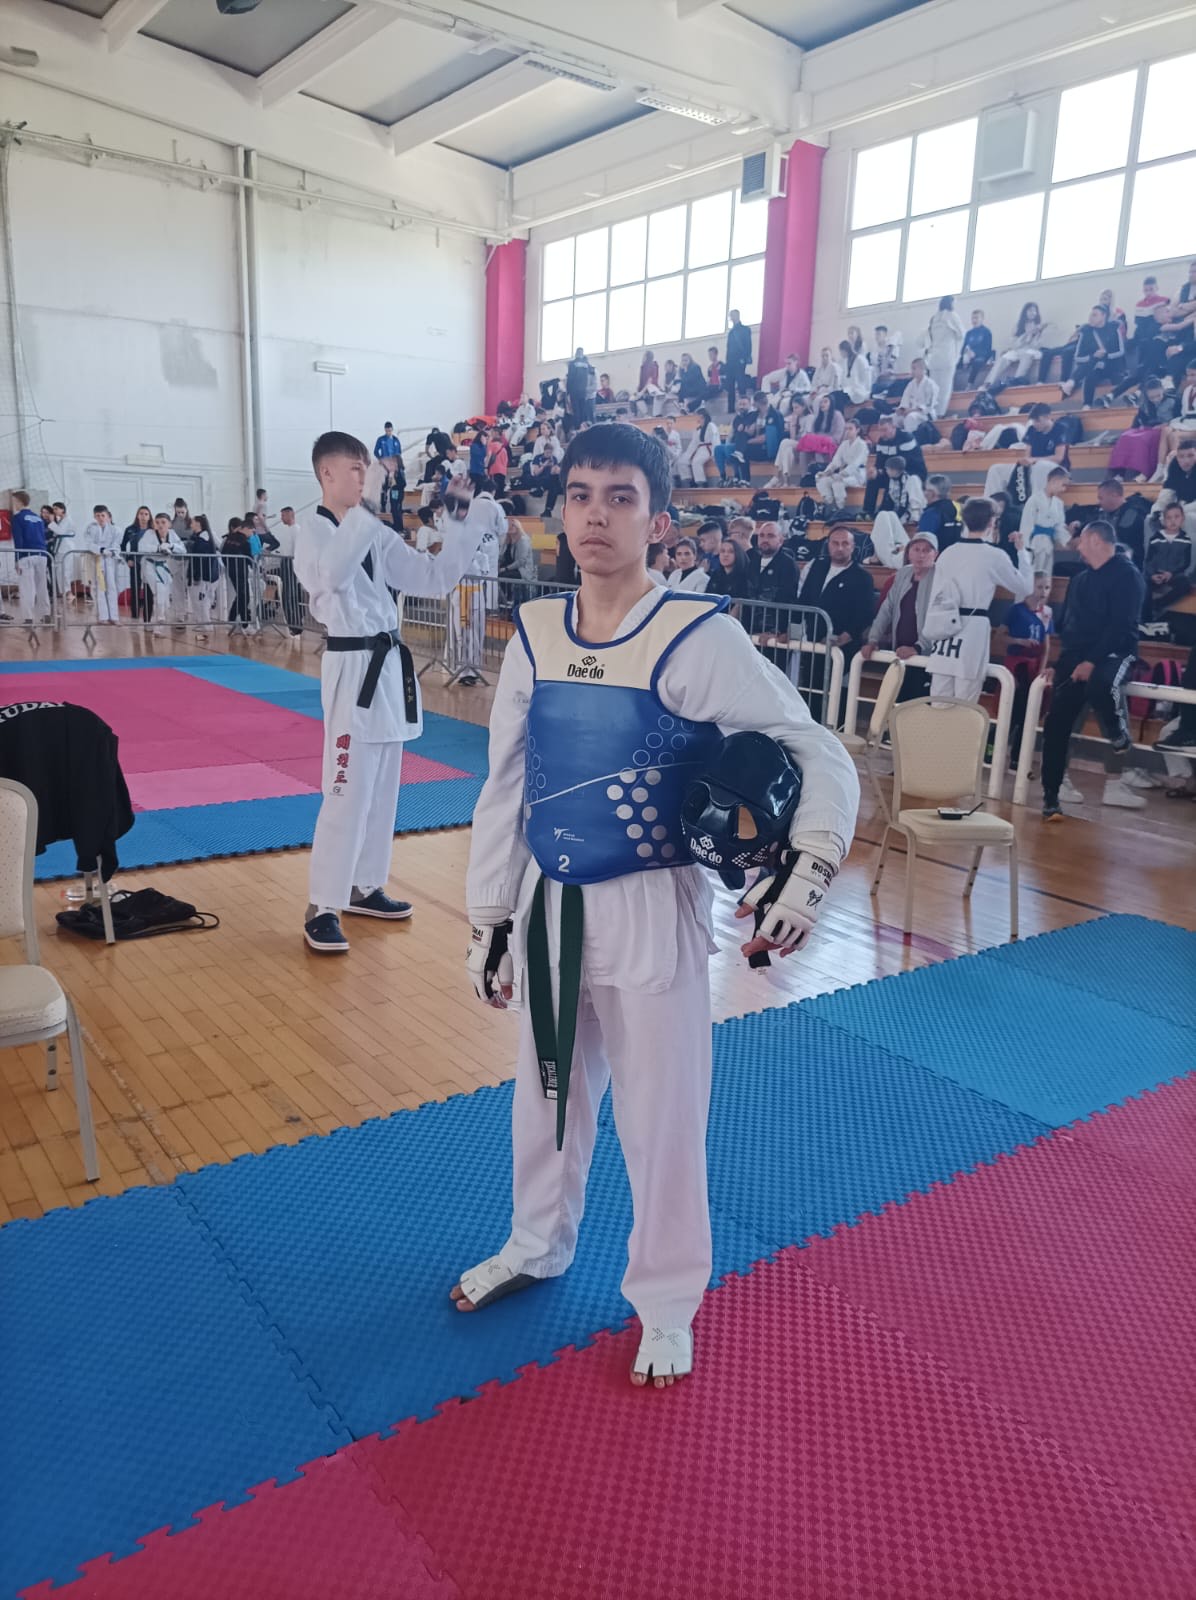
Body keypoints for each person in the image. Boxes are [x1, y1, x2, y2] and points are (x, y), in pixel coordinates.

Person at [457, 422, 859, 1388]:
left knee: (661, 1115)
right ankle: (536, 1244)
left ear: (658, 520)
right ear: (560, 512)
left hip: (651, 906)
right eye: (580, 495)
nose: (596, 515)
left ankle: (668, 1301)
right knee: (546, 1098)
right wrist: (489, 917)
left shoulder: (696, 635)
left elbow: (816, 748)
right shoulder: (535, 633)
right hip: (552, 905)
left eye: (621, 497)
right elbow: (505, 785)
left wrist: (806, 871)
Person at [292, 432, 486, 954]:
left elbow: (433, 578)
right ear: (327, 474)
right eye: (356, 469)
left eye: (367, 469)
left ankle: (363, 885)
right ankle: (322, 903)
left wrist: (458, 521)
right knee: (346, 787)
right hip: (351, 665)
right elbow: (332, 576)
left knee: (382, 787)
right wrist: (370, 510)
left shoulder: (372, 532)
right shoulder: (312, 531)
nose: (364, 477)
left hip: (387, 665)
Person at [1040, 520, 1147, 818]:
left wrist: (1092, 660)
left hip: (1116, 652)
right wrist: (1060, 664)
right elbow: (1070, 627)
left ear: (1097, 540)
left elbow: (1121, 626)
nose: (1078, 546)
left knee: (1103, 682)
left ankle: (1118, 733)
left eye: (1082, 540)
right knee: (1056, 723)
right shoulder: (1080, 580)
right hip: (1077, 655)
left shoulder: (1128, 575)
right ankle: (1051, 796)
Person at [923, 496, 1033, 703]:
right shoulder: (994, 555)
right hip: (973, 627)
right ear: (992, 522)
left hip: (944, 626)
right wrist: (1022, 552)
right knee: (966, 702)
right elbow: (1025, 588)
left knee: (938, 700)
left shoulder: (947, 553)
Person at [797, 523, 876, 720]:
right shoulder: (816, 567)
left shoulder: (862, 577)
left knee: (835, 696)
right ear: (828, 544)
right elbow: (804, 600)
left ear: (853, 546)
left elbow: (865, 614)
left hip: (842, 649)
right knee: (809, 691)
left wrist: (844, 638)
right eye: (835, 543)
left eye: (845, 543)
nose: (840, 548)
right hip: (812, 643)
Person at [860, 529, 938, 701]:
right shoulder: (903, 574)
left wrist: (918, 648)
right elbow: (887, 609)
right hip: (899, 652)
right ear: (909, 552)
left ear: (935, 554)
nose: (921, 555)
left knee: (917, 705)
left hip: (926, 658)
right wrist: (873, 639)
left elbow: (939, 620)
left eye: (926, 550)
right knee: (895, 702)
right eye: (916, 549)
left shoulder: (940, 578)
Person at [452, 477, 507, 684]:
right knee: (464, 633)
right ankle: (463, 669)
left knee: (470, 633)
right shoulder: (495, 507)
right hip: (465, 594)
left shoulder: (471, 507)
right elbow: (502, 529)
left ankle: (470, 670)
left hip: (472, 594)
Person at [1000, 571, 1053, 759]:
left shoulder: (1047, 613)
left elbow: (1046, 646)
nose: (1043, 592)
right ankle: (992, 750)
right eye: (1039, 587)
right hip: (1017, 664)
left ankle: (1017, 757)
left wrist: (1041, 670)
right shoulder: (1016, 610)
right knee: (1014, 711)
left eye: (1047, 587)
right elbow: (1000, 636)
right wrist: (1019, 641)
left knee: (1030, 714)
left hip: (1034, 666)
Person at [1108, 378, 1176, 482]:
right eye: (1152, 397)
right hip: (1147, 428)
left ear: (1162, 389)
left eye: (1158, 396)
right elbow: (1137, 421)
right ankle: (1120, 472)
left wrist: (1166, 424)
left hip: (1164, 429)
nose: (1155, 399)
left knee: (1143, 439)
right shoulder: (1145, 404)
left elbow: (1178, 418)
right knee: (1125, 436)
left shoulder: (1173, 400)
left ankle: (1145, 473)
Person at [1060, 305, 1126, 405]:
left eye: (1095, 315)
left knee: (1095, 362)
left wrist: (1105, 355)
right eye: (1090, 315)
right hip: (1093, 367)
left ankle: (1072, 381)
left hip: (1112, 366)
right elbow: (1078, 357)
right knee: (1091, 371)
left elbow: (1121, 352)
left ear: (1103, 316)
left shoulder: (1113, 328)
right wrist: (1093, 356)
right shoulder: (1086, 331)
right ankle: (1087, 405)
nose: (1091, 318)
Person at [863, 417, 927, 518]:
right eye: (880, 430)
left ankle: (891, 510)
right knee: (872, 480)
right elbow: (879, 462)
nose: (882, 433)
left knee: (894, 478)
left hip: (911, 472)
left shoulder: (906, 438)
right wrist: (875, 471)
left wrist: (883, 471)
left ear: (893, 427)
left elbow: (902, 464)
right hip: (891, 472)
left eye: (885, 430)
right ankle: (867, 512)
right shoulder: (881, 441)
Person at [1143, 501, 1194, 622]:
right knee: (1144, 582)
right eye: (1169, 518)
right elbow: (1149, 559)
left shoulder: (1185, 540)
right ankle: (1145, 617)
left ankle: (1158, 605)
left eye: (1176, 517)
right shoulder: (1156, 539)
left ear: (1182, 519)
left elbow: (1185, 562)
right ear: (1164, 521)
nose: (1173, 521)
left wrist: (1171, 573)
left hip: (1173, 574)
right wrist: (1152, 574)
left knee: (1185, 584)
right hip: (1156, 573)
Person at [1020, 466, 1071, 576]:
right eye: (1063, 485)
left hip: (1049, 545)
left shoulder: (1058, 504)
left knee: (1046, 578)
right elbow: (1026, 525)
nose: (1064, 489)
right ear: (1054, 481)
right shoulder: (1034, 500)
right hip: (1034, 544)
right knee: (1031, 577)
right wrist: (1025, 549)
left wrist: (1067, 541)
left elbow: (1059, 527)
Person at [140, 512, 185, 637]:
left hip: (164, 566)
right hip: (150, 565)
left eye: (163, 522)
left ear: (169, 524)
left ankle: (158, 625)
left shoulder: (172, 534)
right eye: (157, 522)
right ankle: (159, 622)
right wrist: (158, 548)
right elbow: (141, 547)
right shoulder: (149, 533)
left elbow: (183, 549)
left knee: (164, 596)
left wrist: (171, 545)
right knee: (159, 592)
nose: (160, 525)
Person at [11, 492, 51, 625]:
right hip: (42, 554)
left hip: (26, 554)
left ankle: (28, 617)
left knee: (27, 587)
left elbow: (18, 539)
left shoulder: (17, 518)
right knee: (42, 585)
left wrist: (17, 559)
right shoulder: (38, 518)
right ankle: (46, 613)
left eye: (14, 502)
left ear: (19, 502)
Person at [815, 418, 869, 511]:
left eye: (850, 429)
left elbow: (856, 464)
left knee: (837, 483)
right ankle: (830, 506)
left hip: (857, 475)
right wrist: (826, 472)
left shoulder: (862, 445)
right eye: (846, 429)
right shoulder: (844, 444)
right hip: (843, 474)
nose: (847, 431)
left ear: (857, 430)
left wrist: (842, 474)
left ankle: (841, 509)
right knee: (822, 480)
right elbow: (836, 461)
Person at [989, 302, 1048, 385]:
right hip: (1018, 350)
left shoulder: (1039, 327)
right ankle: (988, 383)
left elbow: (1037, 345)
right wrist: (1027, 334)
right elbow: (1014, 344)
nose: (1032, 313)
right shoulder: (1018, 325)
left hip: (1031, 350)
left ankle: (1016, 381)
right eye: (1030, 310)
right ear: (1025, 312)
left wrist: (1036, 333)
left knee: (1027, 354)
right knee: (1003, 358)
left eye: (1034, 311)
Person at [84, 506, 123, 626]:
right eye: (98, 516)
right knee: (99, 588)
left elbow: (117, 543)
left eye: (103, 515)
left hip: (110, 560)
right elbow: (89, 543)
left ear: (107, 516)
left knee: (112, 587)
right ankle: (102, 616)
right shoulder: (91, 528)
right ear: (94, 516)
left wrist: (112, 551)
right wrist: (100, 549)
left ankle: (114, 616)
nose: (100, 518)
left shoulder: (115, 529)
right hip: (97, 559)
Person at [925, 295, 964, 413]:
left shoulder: (934, 318)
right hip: (947, 355)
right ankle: (940, 413)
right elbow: (961, 333)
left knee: (934, 387)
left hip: (934, 357)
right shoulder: (952, 315)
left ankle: (931, 412)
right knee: (945, 388)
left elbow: (930, 337)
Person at [184, 512, 220, 638]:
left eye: (193, 522)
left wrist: (197, 575)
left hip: (205, 576)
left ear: (198, 523)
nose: (191, 524)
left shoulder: (203, 539)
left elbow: (201, 560)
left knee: (202, 600)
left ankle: (206, 623)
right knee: (199, 599)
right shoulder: (199, 538)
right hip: (204, 574)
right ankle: (201, 621)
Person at [1156, 438, 1196, 537]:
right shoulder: (1174, 465)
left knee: (1189, 518)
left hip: (1190, 510)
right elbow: (1167, 493)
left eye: (1191, 456)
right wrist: (1157, 511)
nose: (1186, 460)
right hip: (1181, 507)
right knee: (1150, 519)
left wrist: (1177, 512)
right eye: (1181, 456)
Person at [121, 506, 153, 621]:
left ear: (149, 516)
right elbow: (123, 545)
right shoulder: (130, 529)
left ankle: (147, 615)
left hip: (149, 563)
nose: (143, 516)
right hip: (135, 562)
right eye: (141, 514)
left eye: (146, 514)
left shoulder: (153, 530)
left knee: (148, 588)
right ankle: (134, 614)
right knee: (135, 587)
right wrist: (127, 559)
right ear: (137, 515)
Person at [918, 475, 961, 552]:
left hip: (938, 556)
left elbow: (923, 541)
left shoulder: (931, 513)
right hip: (958, 554)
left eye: (926, 490)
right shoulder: (958, 507)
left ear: (932, 493)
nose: (924, 493)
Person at [896, 356, 939, 431]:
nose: (912, 371)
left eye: (914, 368)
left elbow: (928, 405)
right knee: (895, 418)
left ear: (922, 369)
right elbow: (905, 400)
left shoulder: (931, 384)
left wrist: (912, 410)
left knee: (910, 417)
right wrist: (902, 409)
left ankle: (911, 437)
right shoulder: (911, 384)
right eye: (911, 369)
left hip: (925, 414)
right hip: (911, 412)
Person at [680, 407, 720, 485]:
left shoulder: (711, 425)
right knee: (682, 461)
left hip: (708, 448)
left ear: (702, 416)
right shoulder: (698, 429)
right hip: (700, 449)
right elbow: (693, 444)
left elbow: (715, 439)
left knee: (696, 462)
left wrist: (714, 454)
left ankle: (701, 483)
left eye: (697, 416)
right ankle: (688, 481)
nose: (696, 418)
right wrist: (687, 455)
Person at [725, 308, 752, 411]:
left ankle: (744, 406)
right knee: (730, 385)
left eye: (732, 316)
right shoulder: (731, 332)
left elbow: (748, 345)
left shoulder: (745, 329)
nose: (731, 318)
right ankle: (730, 408)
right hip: (730, 362)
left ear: (737, 316)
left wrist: (744, 358)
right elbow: (728, 348)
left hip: (739, 360)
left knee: (741, 384)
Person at [706, 536, 749, 602]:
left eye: (731, 552)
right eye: (722, 551)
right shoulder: (715, 574)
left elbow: (742, 601)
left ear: (738, 554)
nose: (725, 554)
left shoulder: (743, 577)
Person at [498, 516, 536, 588]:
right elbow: (501, 556)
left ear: (518, 527)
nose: (510, 527)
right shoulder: (507, 540)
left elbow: (521, 561)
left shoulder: (523, 540)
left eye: (513, 525)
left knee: (503, 576)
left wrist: (505, 568)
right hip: (509, 568)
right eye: (509, 525)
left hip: (522, 570)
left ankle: (508, 595)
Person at [961, 310, 994, 389]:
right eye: (973, 318)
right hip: (968, 356)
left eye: (976, 318)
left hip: (981, 357)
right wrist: (965, 356)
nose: (974, 320)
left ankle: (969, 385)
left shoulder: (986, 332)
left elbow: (988, 350)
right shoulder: (969, 333)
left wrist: (975, 353)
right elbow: (962, 348)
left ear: (982, 319)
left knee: (978, 361)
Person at [567, 348, 595, 424]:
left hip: (574, 392)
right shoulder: (587, 364)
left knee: (576, 412)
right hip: (584, 392)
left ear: (576, 354)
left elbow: (570, 378)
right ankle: (583, 426)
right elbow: (592, 374)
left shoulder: (572, 363)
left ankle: (577, 427)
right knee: (583, 412)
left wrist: (568, 392)